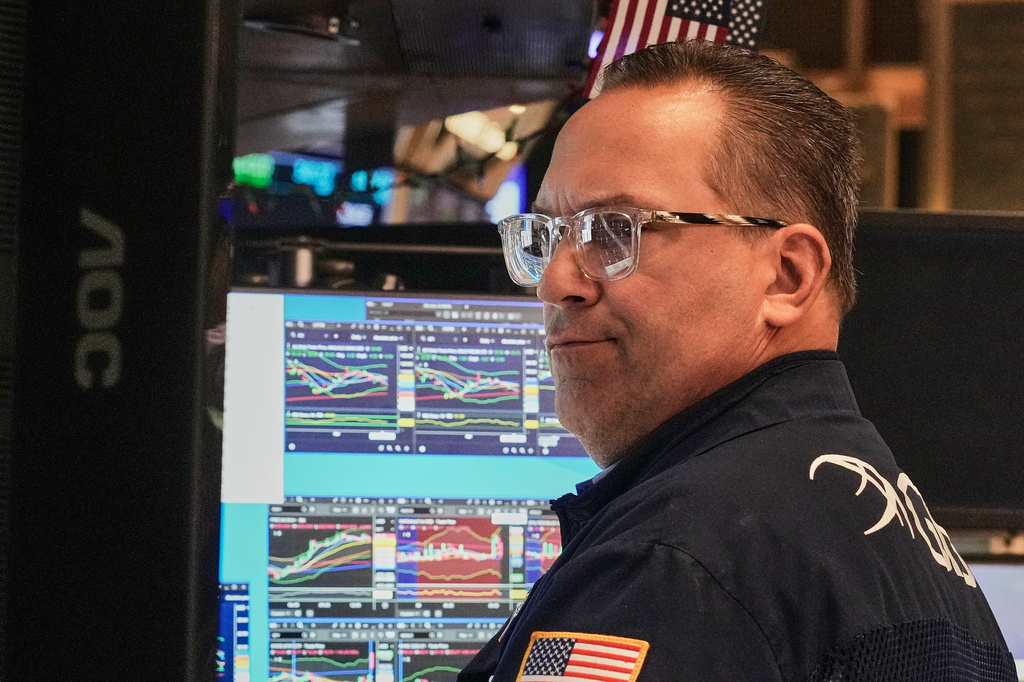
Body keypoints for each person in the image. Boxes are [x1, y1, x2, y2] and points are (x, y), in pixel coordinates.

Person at [459, 40, 1016, 681]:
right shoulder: (884, 526)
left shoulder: (673, 560)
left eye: (614, 229)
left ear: (787, 275)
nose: (555, 283)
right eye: (547, 236)